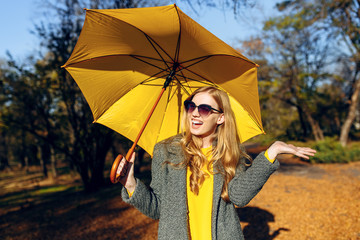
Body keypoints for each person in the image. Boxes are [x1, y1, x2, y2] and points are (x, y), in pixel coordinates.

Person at [116, 86, 316, 240]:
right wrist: (131, 184)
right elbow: (157, 208)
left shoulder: (230, 154)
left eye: (204, 109)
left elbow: (239, 196)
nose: (194, 113)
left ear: (220, 118)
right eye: (191, 106)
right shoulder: (166, 151)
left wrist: (270, 154)